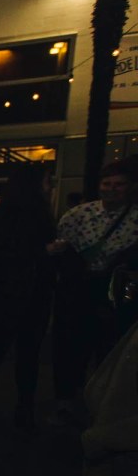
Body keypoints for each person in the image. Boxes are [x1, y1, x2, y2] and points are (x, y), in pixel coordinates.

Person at [0, 167, 58, 429]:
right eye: (46, 180)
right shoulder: (34, 218)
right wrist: (45, 252)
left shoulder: (1, 218)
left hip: (5, 296)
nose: (49, 186)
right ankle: (23, 412)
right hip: (27, 297)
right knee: (25, 356)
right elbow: (12, 257)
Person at [50, 160, 138, 422]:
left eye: (119, 184)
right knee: (70, 348)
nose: (112, 189)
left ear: (131, 187)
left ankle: (103, 404)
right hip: (77, 293)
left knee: (109, 350)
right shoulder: (78, 215)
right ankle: (66, 400)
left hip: (117, 296)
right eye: (107, 184)